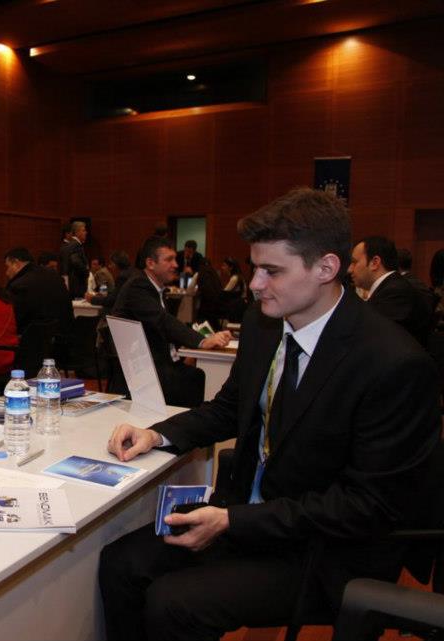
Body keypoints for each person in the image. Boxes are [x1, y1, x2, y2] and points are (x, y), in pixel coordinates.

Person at [99, 187, 441, 641]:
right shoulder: (264, 324)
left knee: (172, 602)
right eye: (255, 268)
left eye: (272, 271)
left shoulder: (392, 363)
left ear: (326, 268)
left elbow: (366, 506)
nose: (256, 284)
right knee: (120, 564)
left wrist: (233, 521)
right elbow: (229, 408)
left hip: (322, 548)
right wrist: (157, 434)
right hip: (248, 516)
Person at [111, 237, 231, 408]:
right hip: (141, 374)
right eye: (169, 259)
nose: (176, 264)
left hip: (155, 365)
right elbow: (163, 321)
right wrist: (202, 341)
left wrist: (205, 338)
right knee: (200, 377)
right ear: (151, 263)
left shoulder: (154, 288)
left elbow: (166, 324)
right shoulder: (138, 286)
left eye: (175, 259)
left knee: (199, 374)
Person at [347, 235, 433, 346]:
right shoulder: (390, 287)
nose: (349, 269)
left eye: (354, 262)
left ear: (375, 263)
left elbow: (369, 336)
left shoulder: (396, 292)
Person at [4, 246, 74, 337]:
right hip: (66, 336)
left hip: (36, 341)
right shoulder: (54, 276)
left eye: (7, 267)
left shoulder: (19, 285)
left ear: (16, 263)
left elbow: (13, 321)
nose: (6, 272)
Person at [60, 221, 89, 298]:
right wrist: (86, 271)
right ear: (77, 232)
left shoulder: (68, 245)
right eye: (83, 230)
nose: (86, 232)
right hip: (77, 285)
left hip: (70, 284)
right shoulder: (76, 245)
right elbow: (75, 261)